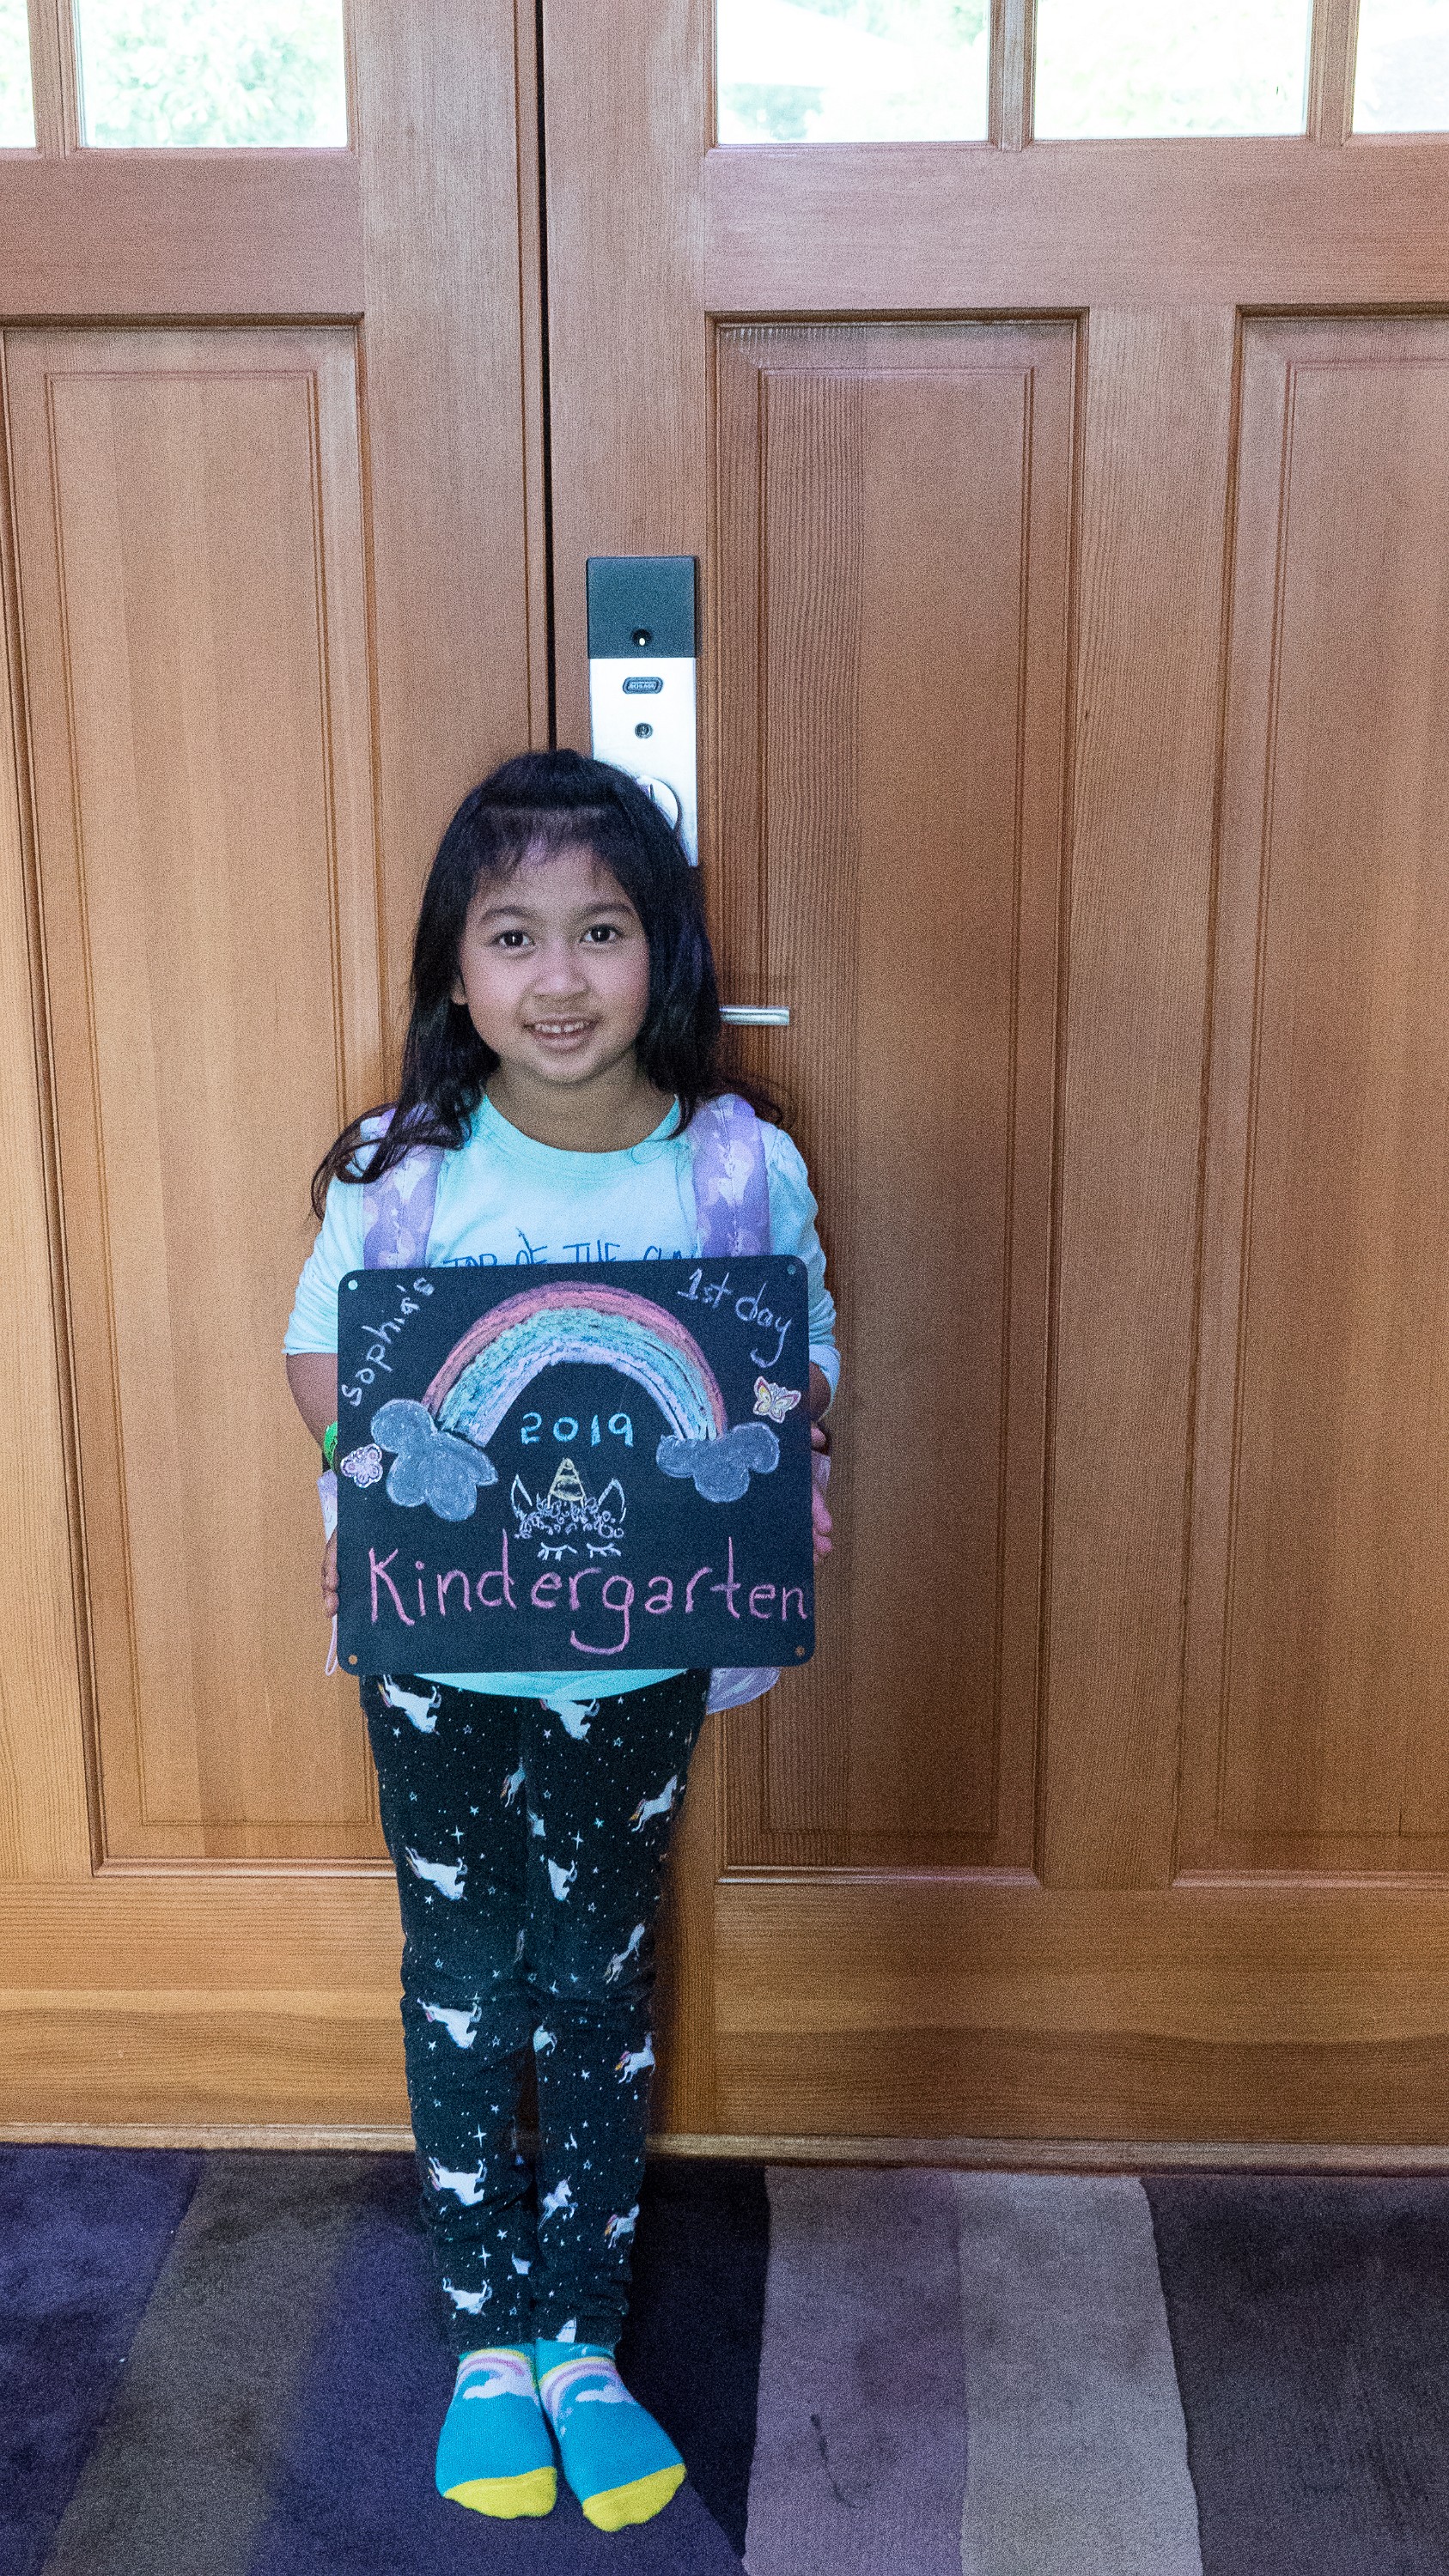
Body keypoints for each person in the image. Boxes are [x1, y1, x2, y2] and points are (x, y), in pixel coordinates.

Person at [284, 750, 837, 2531]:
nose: (560, 977)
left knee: (594, 1975)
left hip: (632, 1660)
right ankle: (483, 2342)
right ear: (455, 973)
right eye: (511, 934)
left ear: (662, 949)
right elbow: (319, 1349)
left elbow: (801, 1355)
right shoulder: (403, 1172)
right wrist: (380, 1463)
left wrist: (777, 1445)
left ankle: (580, 2339)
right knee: (460, 1969)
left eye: (601, 930)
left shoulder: (734, 1172)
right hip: (439, 1654)